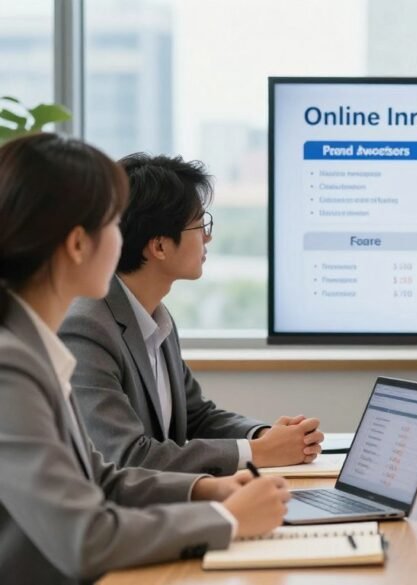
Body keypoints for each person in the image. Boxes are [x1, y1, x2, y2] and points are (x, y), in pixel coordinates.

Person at [0, 133, 290, 583]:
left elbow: (101, 478)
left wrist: (206, 489)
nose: (124, 239)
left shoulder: (32, 349)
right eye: (115, 225)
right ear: (78, 245)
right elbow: (86, 538)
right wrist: (229, 520)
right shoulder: (10, 367)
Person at [59, 153, 323, 476]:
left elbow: (197, 417)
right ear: (159, 247)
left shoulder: (157, 318)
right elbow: (127, 456)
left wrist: (263, 436)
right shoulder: (87, 328)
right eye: (201, 225)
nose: (208, 237)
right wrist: (258, 452)